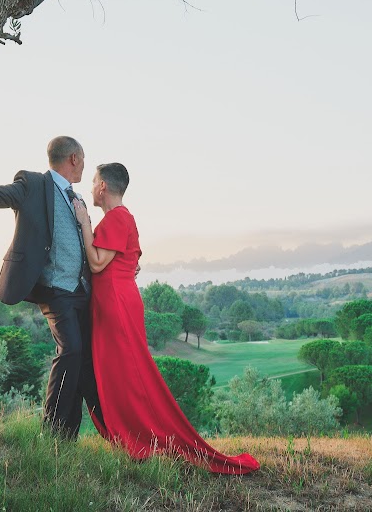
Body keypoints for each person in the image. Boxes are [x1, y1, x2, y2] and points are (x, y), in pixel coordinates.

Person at [73, 162, 259, 475]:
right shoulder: (121, 218)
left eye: (93, 182)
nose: (90, 188)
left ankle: (141, 433)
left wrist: (83, 224)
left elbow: (96, 263)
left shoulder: (118, 217)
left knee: (128, 373)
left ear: (103, 186)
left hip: (116, 303)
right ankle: (130, 430)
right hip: (115, 300)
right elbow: (132, 260)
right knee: (120, 372)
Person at [0, 136, 104, 440]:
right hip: (55, 289)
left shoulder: (78, 199)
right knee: (70, 350)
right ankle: (52, 432)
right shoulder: (32, 185)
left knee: (84, 359)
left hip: (83, 291)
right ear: (73, 158)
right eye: (83, 159)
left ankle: (72, 435)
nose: (84, 164)